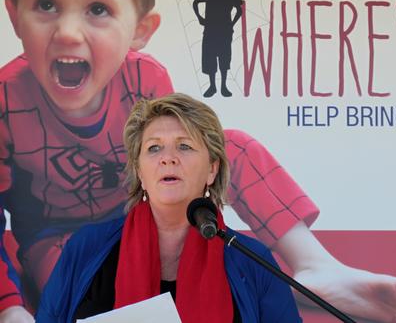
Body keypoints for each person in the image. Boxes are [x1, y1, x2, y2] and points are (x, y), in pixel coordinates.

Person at [0, 0, 396, 322]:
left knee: (229, 143)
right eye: (47, 4)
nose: (69, 32)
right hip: (57, 237)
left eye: (97, 8)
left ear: (140, 30)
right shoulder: (6, 96)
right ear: (15, 14)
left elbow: (179, 166)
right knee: (83, 286)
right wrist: (10, 306)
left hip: (145, 217)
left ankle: (313, 265)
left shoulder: (145, 78)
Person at [36, 93, 302, 322]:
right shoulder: (87, 248)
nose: (167, 159)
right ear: (140, 171)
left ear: (212, 169)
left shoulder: (252, 260)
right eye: (154, 148)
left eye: (184, 146)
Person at [192, 0, 241, 98]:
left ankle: (222, 86)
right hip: (214, 30)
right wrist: (200, 18)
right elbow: (195, 2)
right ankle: (214, 86)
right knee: (212, 57)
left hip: (220, 31)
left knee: (223, 57)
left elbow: (240, 9)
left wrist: (201, 18)